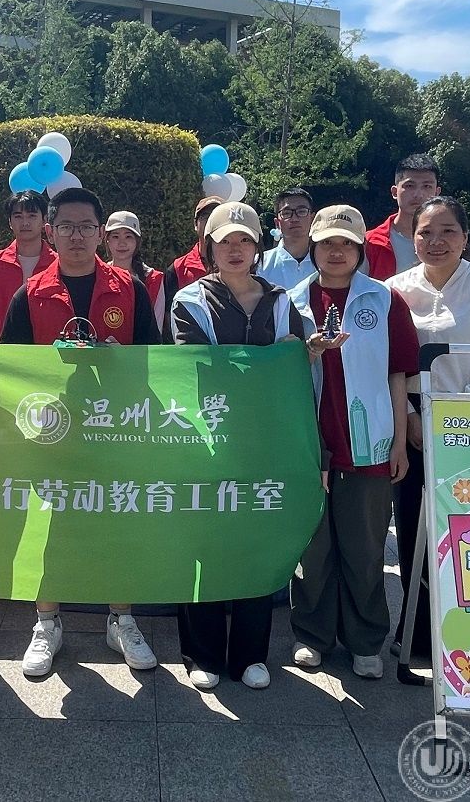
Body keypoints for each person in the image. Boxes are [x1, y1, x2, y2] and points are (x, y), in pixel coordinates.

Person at [0, 187, 161, 676]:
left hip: (114, 430)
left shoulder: (129, 289)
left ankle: (121, 619)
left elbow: (154, 361)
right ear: (51, 231)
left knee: (117, 526)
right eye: (66, 226)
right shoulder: (30, 294)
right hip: (53, 433)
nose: (76, 236)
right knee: (48, 529)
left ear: (100, 232)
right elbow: (9, 369)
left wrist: (121, 361)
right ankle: (47, 623)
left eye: (86, 226)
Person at [169, 201, 305, 691]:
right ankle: (200, 653)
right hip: (208, 438)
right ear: (209, 246)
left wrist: (289, 357)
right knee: (203, 542)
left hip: (264, 440)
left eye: (244, 239)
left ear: (257, 246)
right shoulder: (190, 300)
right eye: (225, 240)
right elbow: (196, 364)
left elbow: (293, 365)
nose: (235, 249)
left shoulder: (280, 300)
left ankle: (251, 654)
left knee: (256, 543)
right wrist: (268, 360)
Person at [286, 205, 418, 679]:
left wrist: (399, 441)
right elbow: (279, 369)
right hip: (309, 444)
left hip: (370, 444)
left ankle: (365, 640)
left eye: (346, 243)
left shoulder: (383, 299)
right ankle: (312, 635)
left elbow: (398, 374)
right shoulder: (291, 301)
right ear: (313, 247)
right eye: (327, 243)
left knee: (365, 551)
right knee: (313, 550)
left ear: (361, 249)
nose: (336, 251)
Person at [387, 196, 470, 658]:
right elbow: (390, 364)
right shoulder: (395, 290)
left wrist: (455, 424)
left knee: (466, 534)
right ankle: (416, 633)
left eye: (448, 232)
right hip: (410, 424)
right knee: (412, 529)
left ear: (465, 238)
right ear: (413, 237)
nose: (436, 241)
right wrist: (410, 418)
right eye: (426, 232)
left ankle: (469, 638)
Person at [0, 192, 56, 340]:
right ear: (10, 222)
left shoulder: (58, 263)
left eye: (32, 216)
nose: (25, 223)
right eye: (18, 216)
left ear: (44, 220)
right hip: (6, 347)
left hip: (47, 347)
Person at [365, 154, 442, 281]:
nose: (418, 194)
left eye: (427, 186)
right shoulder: (370, 243)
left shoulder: (449, 241)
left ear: (437, 193)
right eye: (410, 186)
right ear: (395, 192)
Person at [161, 195, 225, 337]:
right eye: (205, 216)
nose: (210, 221)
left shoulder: (241, 265)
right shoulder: (177, 268)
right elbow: (168, 318)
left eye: (217, 215)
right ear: (195, 224)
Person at [104, 210, 165, 331]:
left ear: (137, 242)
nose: (122, 243)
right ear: (107, 241)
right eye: (115, 236)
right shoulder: (97, 275)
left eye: (128, 236)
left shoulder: (153, 279)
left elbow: (155, 329)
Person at [257, 186, 316, 290]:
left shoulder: (325, 262)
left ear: (312, 218)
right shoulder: (260, 264)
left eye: (301, 211)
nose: (294, 219)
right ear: (277, 222)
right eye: (287, 213)